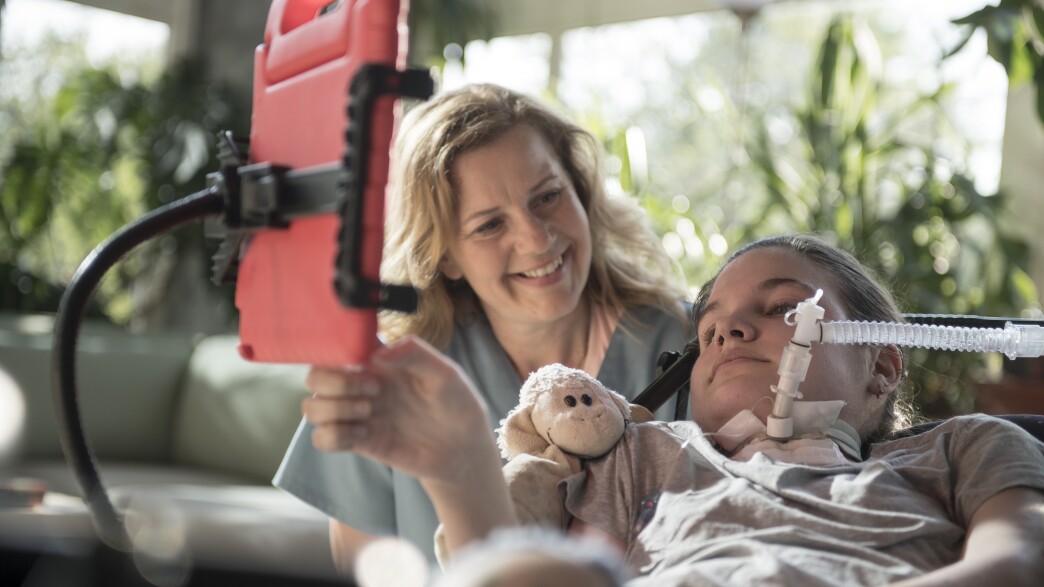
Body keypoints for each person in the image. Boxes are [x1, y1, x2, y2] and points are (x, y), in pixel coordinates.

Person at [300, 234, 1044, 586]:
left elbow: (1013, 565)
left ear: (882, 360)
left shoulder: (962, 449)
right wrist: (462, 459)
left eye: (780, 305)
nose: (726, 328)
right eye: (711, 321)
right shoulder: (644, 455)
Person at [274, 83, 692, 571]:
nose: (537, 239)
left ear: (579, 190)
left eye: (549, 196)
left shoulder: (695, 343)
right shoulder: (388, 384)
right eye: (490, 225)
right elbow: (364, 572)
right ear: (445, 255)